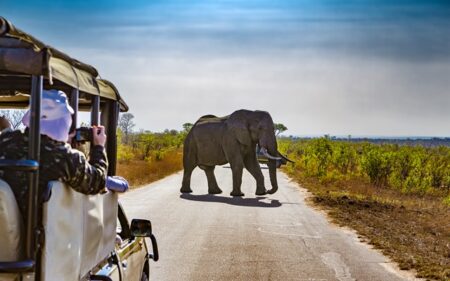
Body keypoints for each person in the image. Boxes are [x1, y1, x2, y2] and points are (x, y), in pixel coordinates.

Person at [0, 89, 124, 219]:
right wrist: (98, 147)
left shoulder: (5, 141)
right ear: (63, 121)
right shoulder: (66, 158)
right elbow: (98, 182)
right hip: (44, 235)